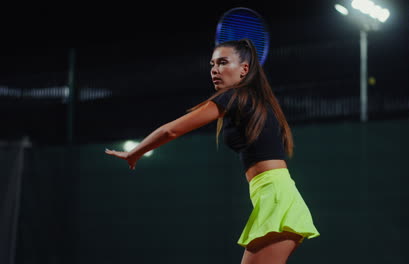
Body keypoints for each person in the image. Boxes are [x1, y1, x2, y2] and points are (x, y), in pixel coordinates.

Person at [105, 38, 320, 264]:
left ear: (244, 69)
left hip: (277, 198)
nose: (215, 70)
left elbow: (171, 131)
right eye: (213, 64)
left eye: (223, 62)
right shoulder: (250, 100)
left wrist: (135, 152)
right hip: (273, 196)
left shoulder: (236, 96)